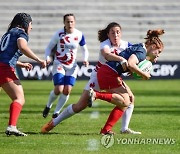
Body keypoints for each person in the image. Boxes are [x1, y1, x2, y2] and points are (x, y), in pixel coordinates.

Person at [41, 22, 144, 134]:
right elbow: (107, 55)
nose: (115, 35)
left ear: (121, 33)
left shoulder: (126, 44)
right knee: (80, 106)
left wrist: (134, 67)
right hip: (99, 76)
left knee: (129, 98)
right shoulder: (105, 44)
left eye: (118, 32)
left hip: (113, 77)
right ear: (108, 34)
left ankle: (124, 128)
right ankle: (54, 122)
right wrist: (122, 60)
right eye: (112, 32)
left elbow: (137, 54)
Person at [94, 29, 165, 135]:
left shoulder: (140, 47)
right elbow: (131, 64)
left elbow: (129, 62)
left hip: (110, 72)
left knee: (130, 99)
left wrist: (132, 70)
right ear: (153, 46)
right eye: (158, 52)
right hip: (109, 73)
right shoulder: (142, 52)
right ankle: (96, 95)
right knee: (125, 102)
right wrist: (144, 74)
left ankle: (121, 129)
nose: (158, 56)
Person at [0, 13, 47, 136]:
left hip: (2, 66)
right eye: (31, 24)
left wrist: (21, 64)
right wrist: (39, 60)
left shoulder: (8, 33)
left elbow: (5, 55)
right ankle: (12, 126)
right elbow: (22, 47)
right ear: (25, 23)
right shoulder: (21, 33)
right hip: (4, 69)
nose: (31, 27)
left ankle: (12, 126)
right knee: (19, 98)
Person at [42, 13, 89, 119]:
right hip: (59, 64)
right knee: (58, 89)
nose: (70, 23)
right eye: (67, 21)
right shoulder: (58, 34)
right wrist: (47, 57)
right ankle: (48, 106)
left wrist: (85, 59)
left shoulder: (79, 34)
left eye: (72, 21)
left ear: (75, 22)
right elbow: (49, 48)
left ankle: (56, 112)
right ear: (64, 23)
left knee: (67, 90)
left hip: (72, 66)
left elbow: (84, 49)